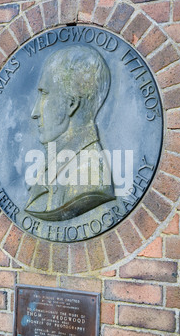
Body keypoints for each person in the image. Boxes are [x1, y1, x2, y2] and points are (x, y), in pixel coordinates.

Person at [24, 44, 115, 221]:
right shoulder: (51, 164)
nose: (34, 112)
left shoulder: (88, 177)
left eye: (44, 94)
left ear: (71, 104)